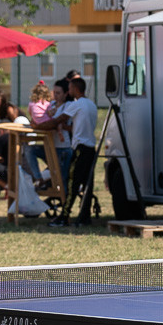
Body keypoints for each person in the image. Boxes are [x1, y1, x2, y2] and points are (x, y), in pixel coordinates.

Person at [48, 77, 98, 227]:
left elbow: (59, 119)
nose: (68, 91)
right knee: (87, 185)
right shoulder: (91, 105)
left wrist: (41, 125)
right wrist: (64, 127)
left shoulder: (77, 104)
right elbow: (76, 128)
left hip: (80, 149)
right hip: (90, 149)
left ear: (76, 89)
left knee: (72, 183)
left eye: (69, 88)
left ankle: (64, 216)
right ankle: (85, 217)